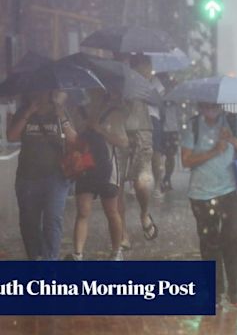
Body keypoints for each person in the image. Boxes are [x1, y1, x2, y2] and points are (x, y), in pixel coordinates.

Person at [181, 102, 237, 308]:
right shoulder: (193, 126)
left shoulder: (234, 122)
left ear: (220, 105)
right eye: (205, 106)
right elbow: (186, 160)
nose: (209, 110)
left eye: (213, 105)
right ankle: (214, 291)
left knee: (233, 238)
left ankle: (234, 290)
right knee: (209, 242)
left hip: (231, 191)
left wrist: (231, 140)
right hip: (200, 194)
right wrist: (215, 151)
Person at [7, 90, 77, 260]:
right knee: (29, 222)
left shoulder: (60, 112)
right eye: (35, 90)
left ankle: (50, 260)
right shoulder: (23, 112)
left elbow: (74, 139)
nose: (39, 95)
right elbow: (11, 136)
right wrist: (29, 112)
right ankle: (35, 257)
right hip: (27, 177)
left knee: (53, 219)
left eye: (44, 90)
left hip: (56, 177)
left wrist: (62, 117)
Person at [68, 89, 128, 261]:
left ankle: (117, 251)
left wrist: (100, 130)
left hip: (107, 170)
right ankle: (78, 253)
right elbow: (72, 137)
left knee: (111, 211)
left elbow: (123, 142)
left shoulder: (114, 114)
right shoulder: (78, 112)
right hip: (85, 168)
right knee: (83, 211)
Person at [117, 54, 158, 248]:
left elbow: (158, 102)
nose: (150, 72)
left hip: (143, 133)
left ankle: (144, 213)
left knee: (142, 182)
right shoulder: (118, 80)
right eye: (147, 68)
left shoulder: (148, 87)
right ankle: (122, 231)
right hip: (118, 133)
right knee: (116, 187)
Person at [158, 74, 180, 193]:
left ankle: (167, 178)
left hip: (172, 129)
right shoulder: (158, 93)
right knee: (158, 155)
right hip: (161, 128)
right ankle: (160, 179)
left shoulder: (176, 94)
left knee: (171, 156)